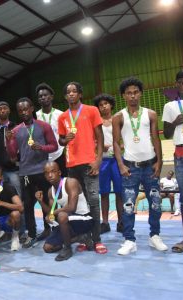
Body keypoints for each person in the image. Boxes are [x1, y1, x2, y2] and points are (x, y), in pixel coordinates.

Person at [113, 77, 166, 255]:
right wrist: (120, 164)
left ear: (141, 93)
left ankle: (155, 236)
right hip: (130, 166)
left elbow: (155, 138)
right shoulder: (118, 117)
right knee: (128, 204)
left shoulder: (150, 114)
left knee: (156, 203)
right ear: (124, 96)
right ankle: (129, 240)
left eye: (136, 92)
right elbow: (115, 142)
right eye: (129, 93)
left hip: (150, 165)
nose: (133, 95)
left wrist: (160, 161)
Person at [58, 82, 107, 254]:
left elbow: (100, 137)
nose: (71, 94)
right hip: (72, 165)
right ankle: (86, 239)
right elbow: (61, 141)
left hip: (89, 163)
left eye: (74, 91)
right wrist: (66, 139)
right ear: (65, 96)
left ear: (80, 94)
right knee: (80, 204)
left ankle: (97, 239)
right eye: (68, 92)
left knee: (93, 202)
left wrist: (98, 160)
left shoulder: (92, 110)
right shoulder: (62, 117)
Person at [7, 97, 58, 248]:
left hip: (43, 171)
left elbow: (54, 146)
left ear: (31, 109)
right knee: (28, 204)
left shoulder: (44, 126)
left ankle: (50, 229)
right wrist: (9, 141)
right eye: (20, 110)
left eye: (26, 109)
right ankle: (31, 233)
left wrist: (41, 147)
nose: (23, 112)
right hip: (25, 173)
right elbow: (12, 155)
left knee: (47, 201)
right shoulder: (16, 130)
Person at [162, 69, 183, 253]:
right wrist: (175, 122)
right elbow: (167, 133)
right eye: (180, 81)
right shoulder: (170, 106)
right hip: (181, 154)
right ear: (176, 84)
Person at [39, 162, 94, 261]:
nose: (50, 175)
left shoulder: (70, 182)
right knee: (47, 247)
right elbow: (51, 212)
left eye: (53, 171)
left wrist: (54, 213)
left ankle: (68, 248)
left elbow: (71, 207)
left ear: (59, 172)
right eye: (47, 173)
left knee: (61, 216)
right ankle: (79, 238)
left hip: (84, 219)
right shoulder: (50, 191)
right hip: (69, 221)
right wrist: (41, 202)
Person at [93, 94, 124, 234]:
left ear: (111, 105)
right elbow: (92, 141)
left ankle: (121, 221)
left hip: (117, 161)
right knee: (104, 193)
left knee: (119, 192)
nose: (103, 106)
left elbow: (126, 137)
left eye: (106, 103)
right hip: (103, 160)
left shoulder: (118, 120)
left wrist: (123, 145)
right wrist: (98, 146)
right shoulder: (96, 122)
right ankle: (105, 222)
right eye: (100, 104)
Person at [0, 165, 23, 251]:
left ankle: (15, 237)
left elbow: (20, 207)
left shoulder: (9, 188)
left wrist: (1, 203)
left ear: (1, 177)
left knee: (16, 214)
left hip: (8, 220)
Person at [0, 101, 20, 195]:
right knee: (1, 196)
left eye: (5, 108)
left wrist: (16, 159)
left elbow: (21, 147)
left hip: (13, 170)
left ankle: (20, 210)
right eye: (0, 109)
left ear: (9, 110)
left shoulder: (15, 128)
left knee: (17, 194)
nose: (2, 111)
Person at [36, 83, 67, 176]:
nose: (43, 97)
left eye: (45, 95)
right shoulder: (35, 116)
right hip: (42, 156)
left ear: (52, 97)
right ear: (38, 99)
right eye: (40, 96)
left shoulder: (61, 115)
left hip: (59, 154)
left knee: (63, 180)